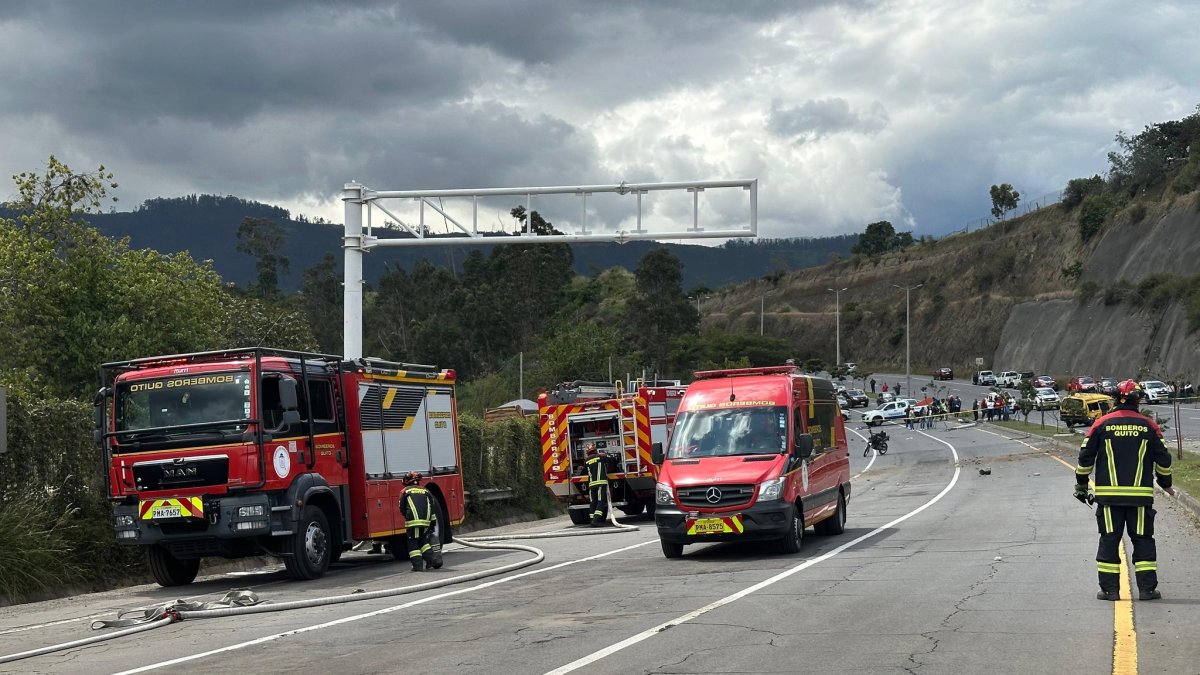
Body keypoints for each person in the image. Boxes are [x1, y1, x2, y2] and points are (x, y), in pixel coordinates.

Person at [1075, 380, 1174, 601]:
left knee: (1109, 540)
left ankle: (1110, 591)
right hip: (1140, 499)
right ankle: (1147, 590)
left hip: (1109, 499)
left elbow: (1085, 458)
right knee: (1143, 540)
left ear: (1115, 400)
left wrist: (1081, 483)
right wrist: (1165, 482)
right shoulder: (1149, 426)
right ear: (1137, 401)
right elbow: (1164, 459)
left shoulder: (1101, 424)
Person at [401, 471, 442, 571]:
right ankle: (432, 561)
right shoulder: (426, 491)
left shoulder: (405, 491)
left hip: (413, 523)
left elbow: (401, 507)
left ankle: (417, 566)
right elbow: (432, 508)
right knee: (423, 541)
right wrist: (432, 523)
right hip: (426, 522)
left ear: (407, 481)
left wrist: (407, 516)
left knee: (413, 543)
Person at [585, 443, 613, 526]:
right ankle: (596, 520)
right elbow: (612, 460)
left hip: (591, 484)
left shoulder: (586, 461)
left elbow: (583, 471)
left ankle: (592, 519)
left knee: (593, 502)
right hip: (601, 483)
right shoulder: (600, 457)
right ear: (595, 450)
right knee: (601, 501)